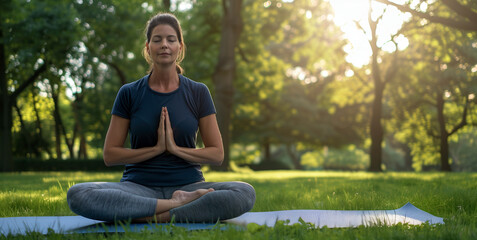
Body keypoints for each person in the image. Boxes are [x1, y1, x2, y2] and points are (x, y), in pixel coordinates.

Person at [67, 13, 255, 223]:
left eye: (171, 39)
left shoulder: (198, 92)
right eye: (157, 40)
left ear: (180, 47)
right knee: (78, 194)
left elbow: (217, 154)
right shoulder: (129, 93)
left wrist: (174, 149)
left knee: (244, 192)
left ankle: (146, 214)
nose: (164, 45)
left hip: (189, 186)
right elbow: (110, 155)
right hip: (138, 188)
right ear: (148, 48)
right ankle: (177, 206)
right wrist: (156, 149)